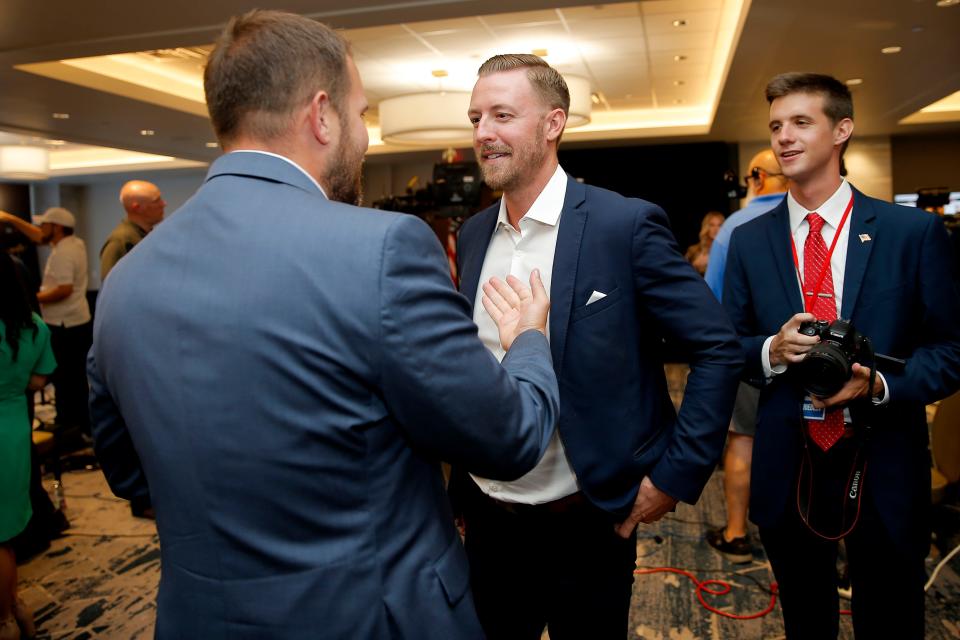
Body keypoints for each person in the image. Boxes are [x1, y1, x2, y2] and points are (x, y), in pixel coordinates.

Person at [87, 11, 559, 640]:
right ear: (322, 116)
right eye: (360, 115)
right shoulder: (383, 249)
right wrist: (528, 339)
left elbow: (128, 473)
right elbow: (508, 438)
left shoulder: (125, 279)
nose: (362, 137)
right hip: (371, 619)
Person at [454, 53, 743, 639]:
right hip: (487, 519)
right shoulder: (474, 232)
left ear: (553, 122)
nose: (483, 133)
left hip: (587, 518)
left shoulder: (624, 225)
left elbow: (718, 348)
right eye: (476, 117)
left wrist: (673, 476)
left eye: (503, 115)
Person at [723, 72, 960, 638]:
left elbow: (952, 350)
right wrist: (770, 351)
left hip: (884, 462)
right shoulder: (750, 242)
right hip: (789, 458)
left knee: (892, 618)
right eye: (776, 125)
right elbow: (725, 346)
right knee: (806, 619)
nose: (784, 137)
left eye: (802, 122)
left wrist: (878, 385)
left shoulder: (910, 233)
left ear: (842, 130)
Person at [703, 149, 788, 563]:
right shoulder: (809, 217)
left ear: (756, 178)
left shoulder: (736, 226)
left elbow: (715, 300)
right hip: (812, 356)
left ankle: (737, 531)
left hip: (752, 354)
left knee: (742, 439)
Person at [0, 253, 56, 640]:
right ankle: (12, 607)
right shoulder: (34, 326)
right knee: (4, 533)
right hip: (13, 428)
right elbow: (39, 382)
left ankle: (5, 617)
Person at [1, 208, 92, 435]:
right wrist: (12, 219)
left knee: (65, 380)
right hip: (77, 319)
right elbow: (39, 237)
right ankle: (77, 424)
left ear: (57, 227)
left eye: (45, 225)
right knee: (74, 378)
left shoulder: (63, 253)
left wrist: (30, 298)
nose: (40, 231)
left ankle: (69, 425)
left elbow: (64, 289)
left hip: (63, 323)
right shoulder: (75, 244)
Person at [99, 180, 166, 281]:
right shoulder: (120, 240)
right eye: (156, 200)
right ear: (137, 208)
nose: (163, 204)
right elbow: (110, 286)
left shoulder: (148, 237)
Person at [685, 211, 724, 275]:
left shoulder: (726, 250)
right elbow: (683, 272)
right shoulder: (693, 250)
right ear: (706, 227)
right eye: (712, 225)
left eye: (719, 225)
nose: (716, 229)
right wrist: (695, 265)